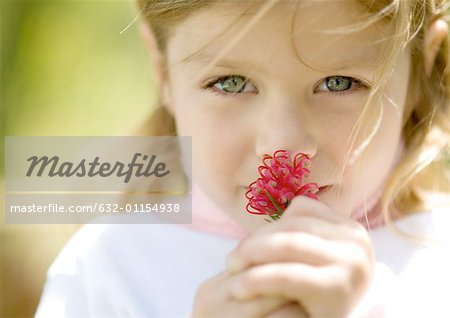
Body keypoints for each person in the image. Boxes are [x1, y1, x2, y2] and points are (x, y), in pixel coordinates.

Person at [35, 0, 450, 317]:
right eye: (231, 83)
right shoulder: (108, 267)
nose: (282, 145)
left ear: (420, 69)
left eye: (338, 83)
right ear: (162, 71)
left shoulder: (436, 261)